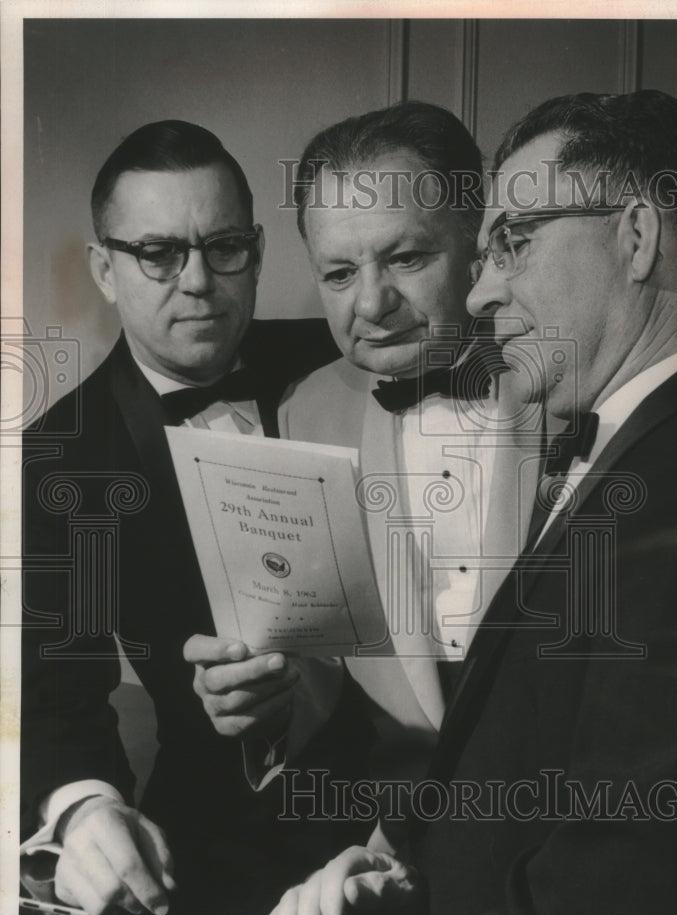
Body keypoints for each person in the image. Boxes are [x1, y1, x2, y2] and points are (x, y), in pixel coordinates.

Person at [232, 90, 677, 915]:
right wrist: (404, 877)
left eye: (512, 243)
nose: (480, 292)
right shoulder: (640, 455)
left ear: (634, 237)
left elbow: (634, 876)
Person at [20, 119, 348, 915]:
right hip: (220, 848)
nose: (198, 280)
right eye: (159, 253)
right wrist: (84, 810)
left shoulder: (345, 355)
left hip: (424, 818)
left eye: (224, 246)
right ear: (105, 269)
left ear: (259, 251)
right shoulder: (66, 454)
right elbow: (59, 700)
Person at [186, 102, 545, 841]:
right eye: (340, 273)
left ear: (480, 246)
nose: (372, 305)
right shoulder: (305, 411)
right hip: (394, 844)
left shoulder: (572, 388)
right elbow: (317, 674)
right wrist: (263, 702)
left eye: (406, 258)